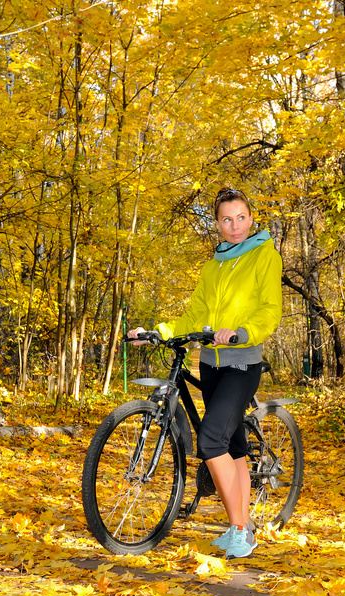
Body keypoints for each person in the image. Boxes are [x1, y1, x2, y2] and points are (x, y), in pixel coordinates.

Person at [128, 186, 282, 559]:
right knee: (232, 447)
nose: (235, 226)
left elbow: (269, 309)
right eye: (226, 220)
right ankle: (240, 527)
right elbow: (194, 316)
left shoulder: (265, 256)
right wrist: (157, 332)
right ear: (216, 224)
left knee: (210, 441)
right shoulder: (212, 267)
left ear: (251, 217)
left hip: (241, 362)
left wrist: (243, 332)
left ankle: (241, 531)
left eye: (241, 217)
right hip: (210, 363)